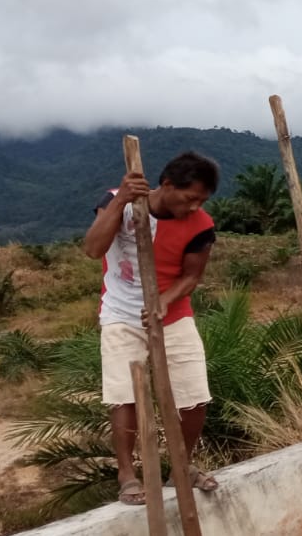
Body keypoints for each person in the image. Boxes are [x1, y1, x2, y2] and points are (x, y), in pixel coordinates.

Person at [83, 152, 220, 505]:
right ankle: (127, 475)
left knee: (194, 394)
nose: (195, 207)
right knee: (124, 394)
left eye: (202, 201)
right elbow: (93, 248)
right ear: (168, 184)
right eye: (190, 198)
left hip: (172, 314)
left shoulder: (201, 225)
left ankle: (181, 466)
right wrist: (122, 203)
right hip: (120, 313)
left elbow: (191, 276)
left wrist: (164, 301)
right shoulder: (117, 201)